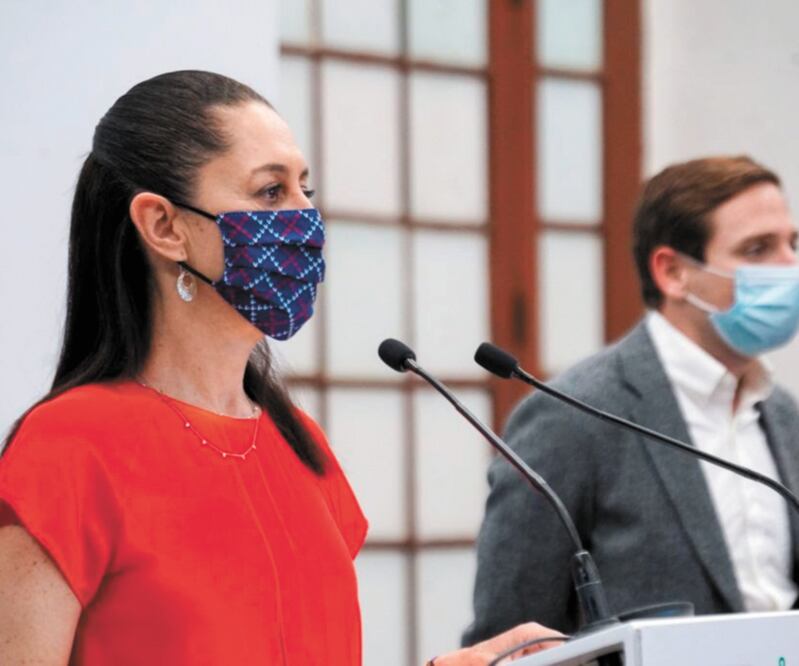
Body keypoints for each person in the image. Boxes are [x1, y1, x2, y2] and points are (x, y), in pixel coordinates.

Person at [0, 70, 558, 665]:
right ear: (164, 226)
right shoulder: (69, 449)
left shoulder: (299, 443)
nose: (306, 222)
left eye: (305, 192)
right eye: (271, 193)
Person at [464, 156, 799, 642]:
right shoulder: (573, 414)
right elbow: (509, 639)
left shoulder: (784, 416)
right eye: (757, 250)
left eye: (793, 244)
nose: (788, 268)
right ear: (672, 272)